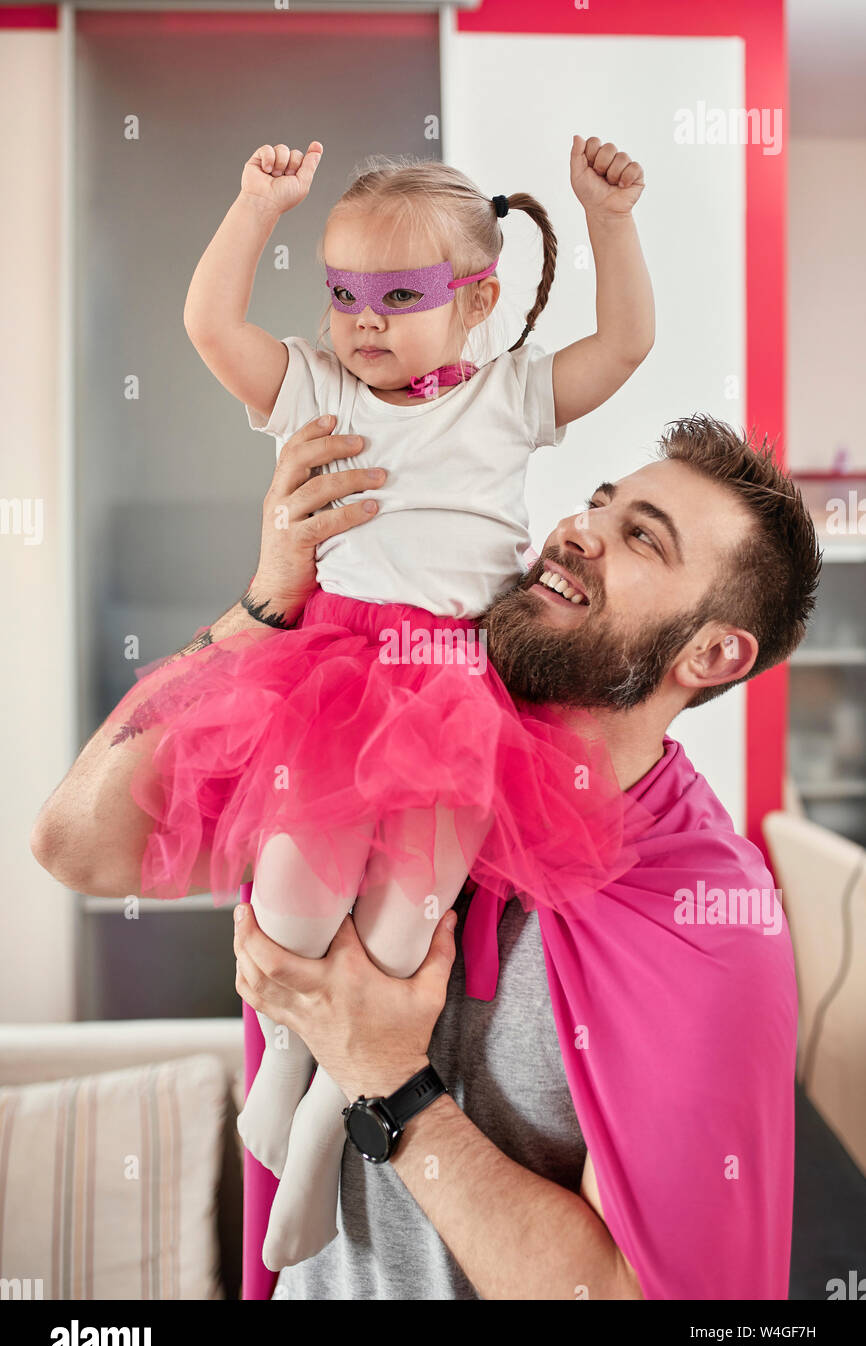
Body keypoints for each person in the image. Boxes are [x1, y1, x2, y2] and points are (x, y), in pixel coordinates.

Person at [33, 410, 821, 1299]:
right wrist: (266, 602)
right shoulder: (390, 730)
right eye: (600, 503)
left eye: (642, 537)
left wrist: (390, 1080)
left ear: (714, 654)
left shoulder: (708, 920)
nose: (581, 530)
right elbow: (78, 845)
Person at [82, 132, 656, 1270]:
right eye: (343, 294)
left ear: (477, 298)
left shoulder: (508, 394)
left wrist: (608, 220)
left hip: (459, 697)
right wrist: (255, 208)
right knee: (295, 914)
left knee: (401, 937)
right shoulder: (318, 383)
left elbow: (626, 344)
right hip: (336, 685)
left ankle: (314, 1127)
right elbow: (210, 327)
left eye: (400, 295)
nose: (364, 320)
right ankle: (293, 1072)